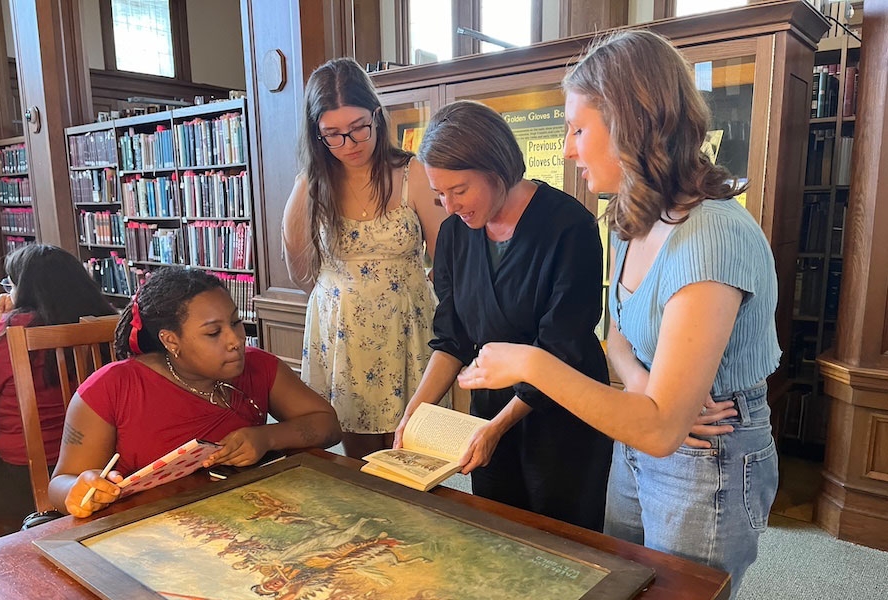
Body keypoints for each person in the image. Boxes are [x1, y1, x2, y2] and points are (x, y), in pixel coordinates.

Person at [457, 30, 780, 597]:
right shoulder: (635, 220)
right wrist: (644, 387)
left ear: (633, 125)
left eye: (578, 129)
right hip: (636, 431)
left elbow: (662, 431)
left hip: (708, 456)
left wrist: (534, 363)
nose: (566, 150)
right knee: (626, 582)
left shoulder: (713, 237)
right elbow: (620, 340)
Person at [396, 100, 613, 531]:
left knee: (564, 543)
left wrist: (497, 427)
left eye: (459, 190)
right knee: (498, 532)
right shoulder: (457, 233)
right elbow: (452, 339)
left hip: (564, 412)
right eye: (440, 195)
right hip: (489, 410)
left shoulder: (570, 227)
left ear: (497, 170)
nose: (450, 205)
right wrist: (414, 413)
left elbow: (562, 347)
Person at [48, 267, 342, 518]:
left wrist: (267, 437)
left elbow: (328, 426)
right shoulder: (111, 388)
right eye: (214, 333)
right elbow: (59, 484)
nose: (236, 340)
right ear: (170, 340)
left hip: (244, 514)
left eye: (236, 322)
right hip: (146, 530)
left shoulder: (258, 366)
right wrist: (80, 489)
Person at [282, 57, 448, 460]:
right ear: (316, 133)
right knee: (355, 456)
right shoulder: (312, 184)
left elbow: (447, 260)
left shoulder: (414, 173)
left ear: (377, 115)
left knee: (411, 451)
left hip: (405, 326)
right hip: (342, 332)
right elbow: (300, 269)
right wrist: (343, 293)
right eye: (333, 134)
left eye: (359, 128)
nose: (350, 144)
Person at [0, 244, 116, 535]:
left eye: (11, 284)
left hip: (26, 480)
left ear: (25, 289)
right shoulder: (108, 324)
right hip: (101, 468)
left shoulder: (4, 336)